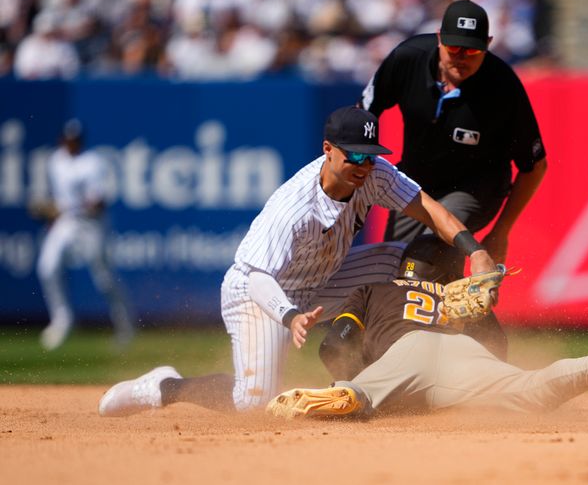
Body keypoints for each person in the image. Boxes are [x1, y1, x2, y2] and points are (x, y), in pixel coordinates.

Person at [97, 106, 497, 416]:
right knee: (252, 401)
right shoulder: (294, 207)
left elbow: (429, 209)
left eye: (371, 155)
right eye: (354, 155)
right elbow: (256, 278)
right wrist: (290, 317)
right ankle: (165, 387)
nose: (363, 165)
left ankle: (402, 367)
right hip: (260, 295)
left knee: (407, 263)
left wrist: (475, 251)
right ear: (328, 150)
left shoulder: (374, 174)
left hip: (322, 282)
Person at [266, 235, 588, 419]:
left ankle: (343, 395)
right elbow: (497, 347)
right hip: (464, 352)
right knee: (529, 391)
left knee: (362, 397)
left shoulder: (372, 289)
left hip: (405, 352)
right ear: (453, 276)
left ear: (403, 268)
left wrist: (362, 375)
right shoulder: (463, 297)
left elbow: (334, 345)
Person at [359, 0, 548, 359]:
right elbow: (364, 112)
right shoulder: (407, 59)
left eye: (473, 51)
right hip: (413, 187)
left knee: (431, 249)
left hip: (475, 188)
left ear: (488, 45)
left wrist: (501, 231)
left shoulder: (502, 87)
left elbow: (535, 166)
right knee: (394, 271)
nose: (461, 57)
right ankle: (380, 360)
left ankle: (480, 354)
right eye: (454, 48)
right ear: (438, 39)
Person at [34, 119, 135, 351]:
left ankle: (125, 325)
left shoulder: (91, 163)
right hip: (67, 223)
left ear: (81, 141)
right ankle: (62, 318)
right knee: (47, 266)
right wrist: (51, 212)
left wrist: (69, 207)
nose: (72, 143)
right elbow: (57, 199)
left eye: (75, 140)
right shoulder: (55, 161)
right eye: (68, 139)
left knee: (104, 279)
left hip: (92, 225)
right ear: (62, 140)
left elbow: (98, 203)